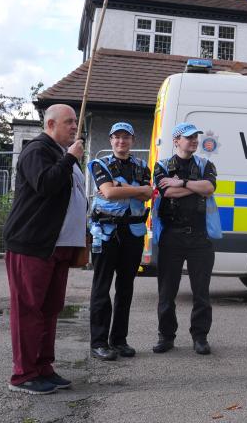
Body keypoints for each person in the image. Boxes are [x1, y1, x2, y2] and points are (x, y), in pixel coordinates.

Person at [2, 104, 87, 395]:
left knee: (50, 309)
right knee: (28, 310)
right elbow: (46, 185)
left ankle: (43, 367)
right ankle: (23, 374)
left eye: (75, 122)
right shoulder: (37, 150)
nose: (75, 127)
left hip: (58, 245)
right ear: (50, 124)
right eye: (69, 122)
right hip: (33, 244)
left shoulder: (61, 154)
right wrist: (70, 159)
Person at [151, 122, 220, 355]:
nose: (193, 141)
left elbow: (209, 187)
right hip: (171, 237)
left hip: (200, 238)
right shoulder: (161, 166)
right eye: (188, 137)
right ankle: (166, 336)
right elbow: (166, 192)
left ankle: (200, 337)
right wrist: (194, 187)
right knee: (167, 292)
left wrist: (181, 182)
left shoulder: (205, 164)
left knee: (201, 292)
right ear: (176, 141)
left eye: (195, 137)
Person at [86, 122, 152, 361]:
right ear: (111, 140)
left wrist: (121, 186)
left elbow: (150, 193)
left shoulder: (142, 166)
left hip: (132, 233)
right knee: (102, 288)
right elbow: (110, 193)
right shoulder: (99, 164)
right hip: (106, 233)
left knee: (126, 288)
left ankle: (119, 340)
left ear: (132, 141)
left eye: (126, 137)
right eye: (117, 137)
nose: (121, 142)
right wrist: (136, 189)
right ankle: (99, 342)